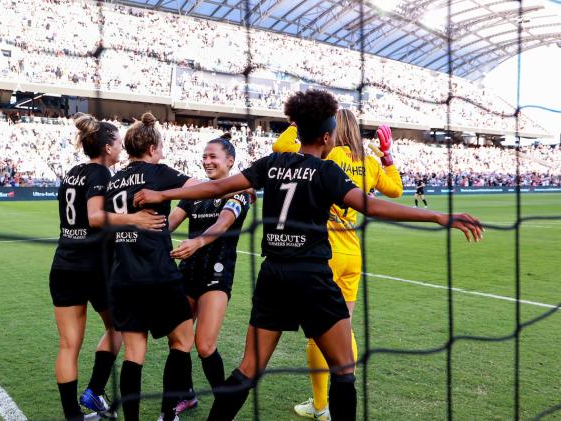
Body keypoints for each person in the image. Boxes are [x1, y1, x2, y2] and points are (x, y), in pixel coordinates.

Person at [133, 90, 483, 421]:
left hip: (273, 275)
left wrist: (162, 195)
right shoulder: (327, 171)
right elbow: (373, 206)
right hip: (312, 276)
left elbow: (216, 187)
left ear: (298, 131)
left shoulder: (272, 163)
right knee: (344, 370)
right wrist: (438, 216)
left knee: (248, 369)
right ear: (329, 139)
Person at [272, 112, 403, 420]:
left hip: (324, 252)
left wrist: (297, 122)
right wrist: (387, 156)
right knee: (344, 327)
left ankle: (321, 406)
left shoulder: (327, 153)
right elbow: (396, 191)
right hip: (353, 254)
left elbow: (281, 147)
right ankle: (346, 390)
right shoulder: (367, 160)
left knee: (316, 334)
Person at [49, 113, 166, 421]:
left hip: (63, 264)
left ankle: (75, 413)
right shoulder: (101, 174)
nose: (121, 148)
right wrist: (135, 218)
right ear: (107, 146)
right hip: (94, 267)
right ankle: (96, 389)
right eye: (117, 142)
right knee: (122, 327)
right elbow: (95, 217)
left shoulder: (73, 172)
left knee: (68, 345)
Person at [104, 112, 200, 421]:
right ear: (152, 147)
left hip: (123, 276)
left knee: (134, 352)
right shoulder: (157, 172)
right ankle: (168, 414)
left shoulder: (114, 180)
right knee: (183, 340)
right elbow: (199, 188)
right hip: (158, 274)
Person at [168, 133, 250, 414]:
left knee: (204, 345)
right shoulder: (197, 190)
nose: (207, 161)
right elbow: (170, 223)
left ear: (230, 161)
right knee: (178, 340)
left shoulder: (240, 192)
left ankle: (223, 401)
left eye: (212, 156)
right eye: (204, 156)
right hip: (187, 272)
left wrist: (197, 242)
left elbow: (224, 223)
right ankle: (187, 395)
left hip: (216, 275)